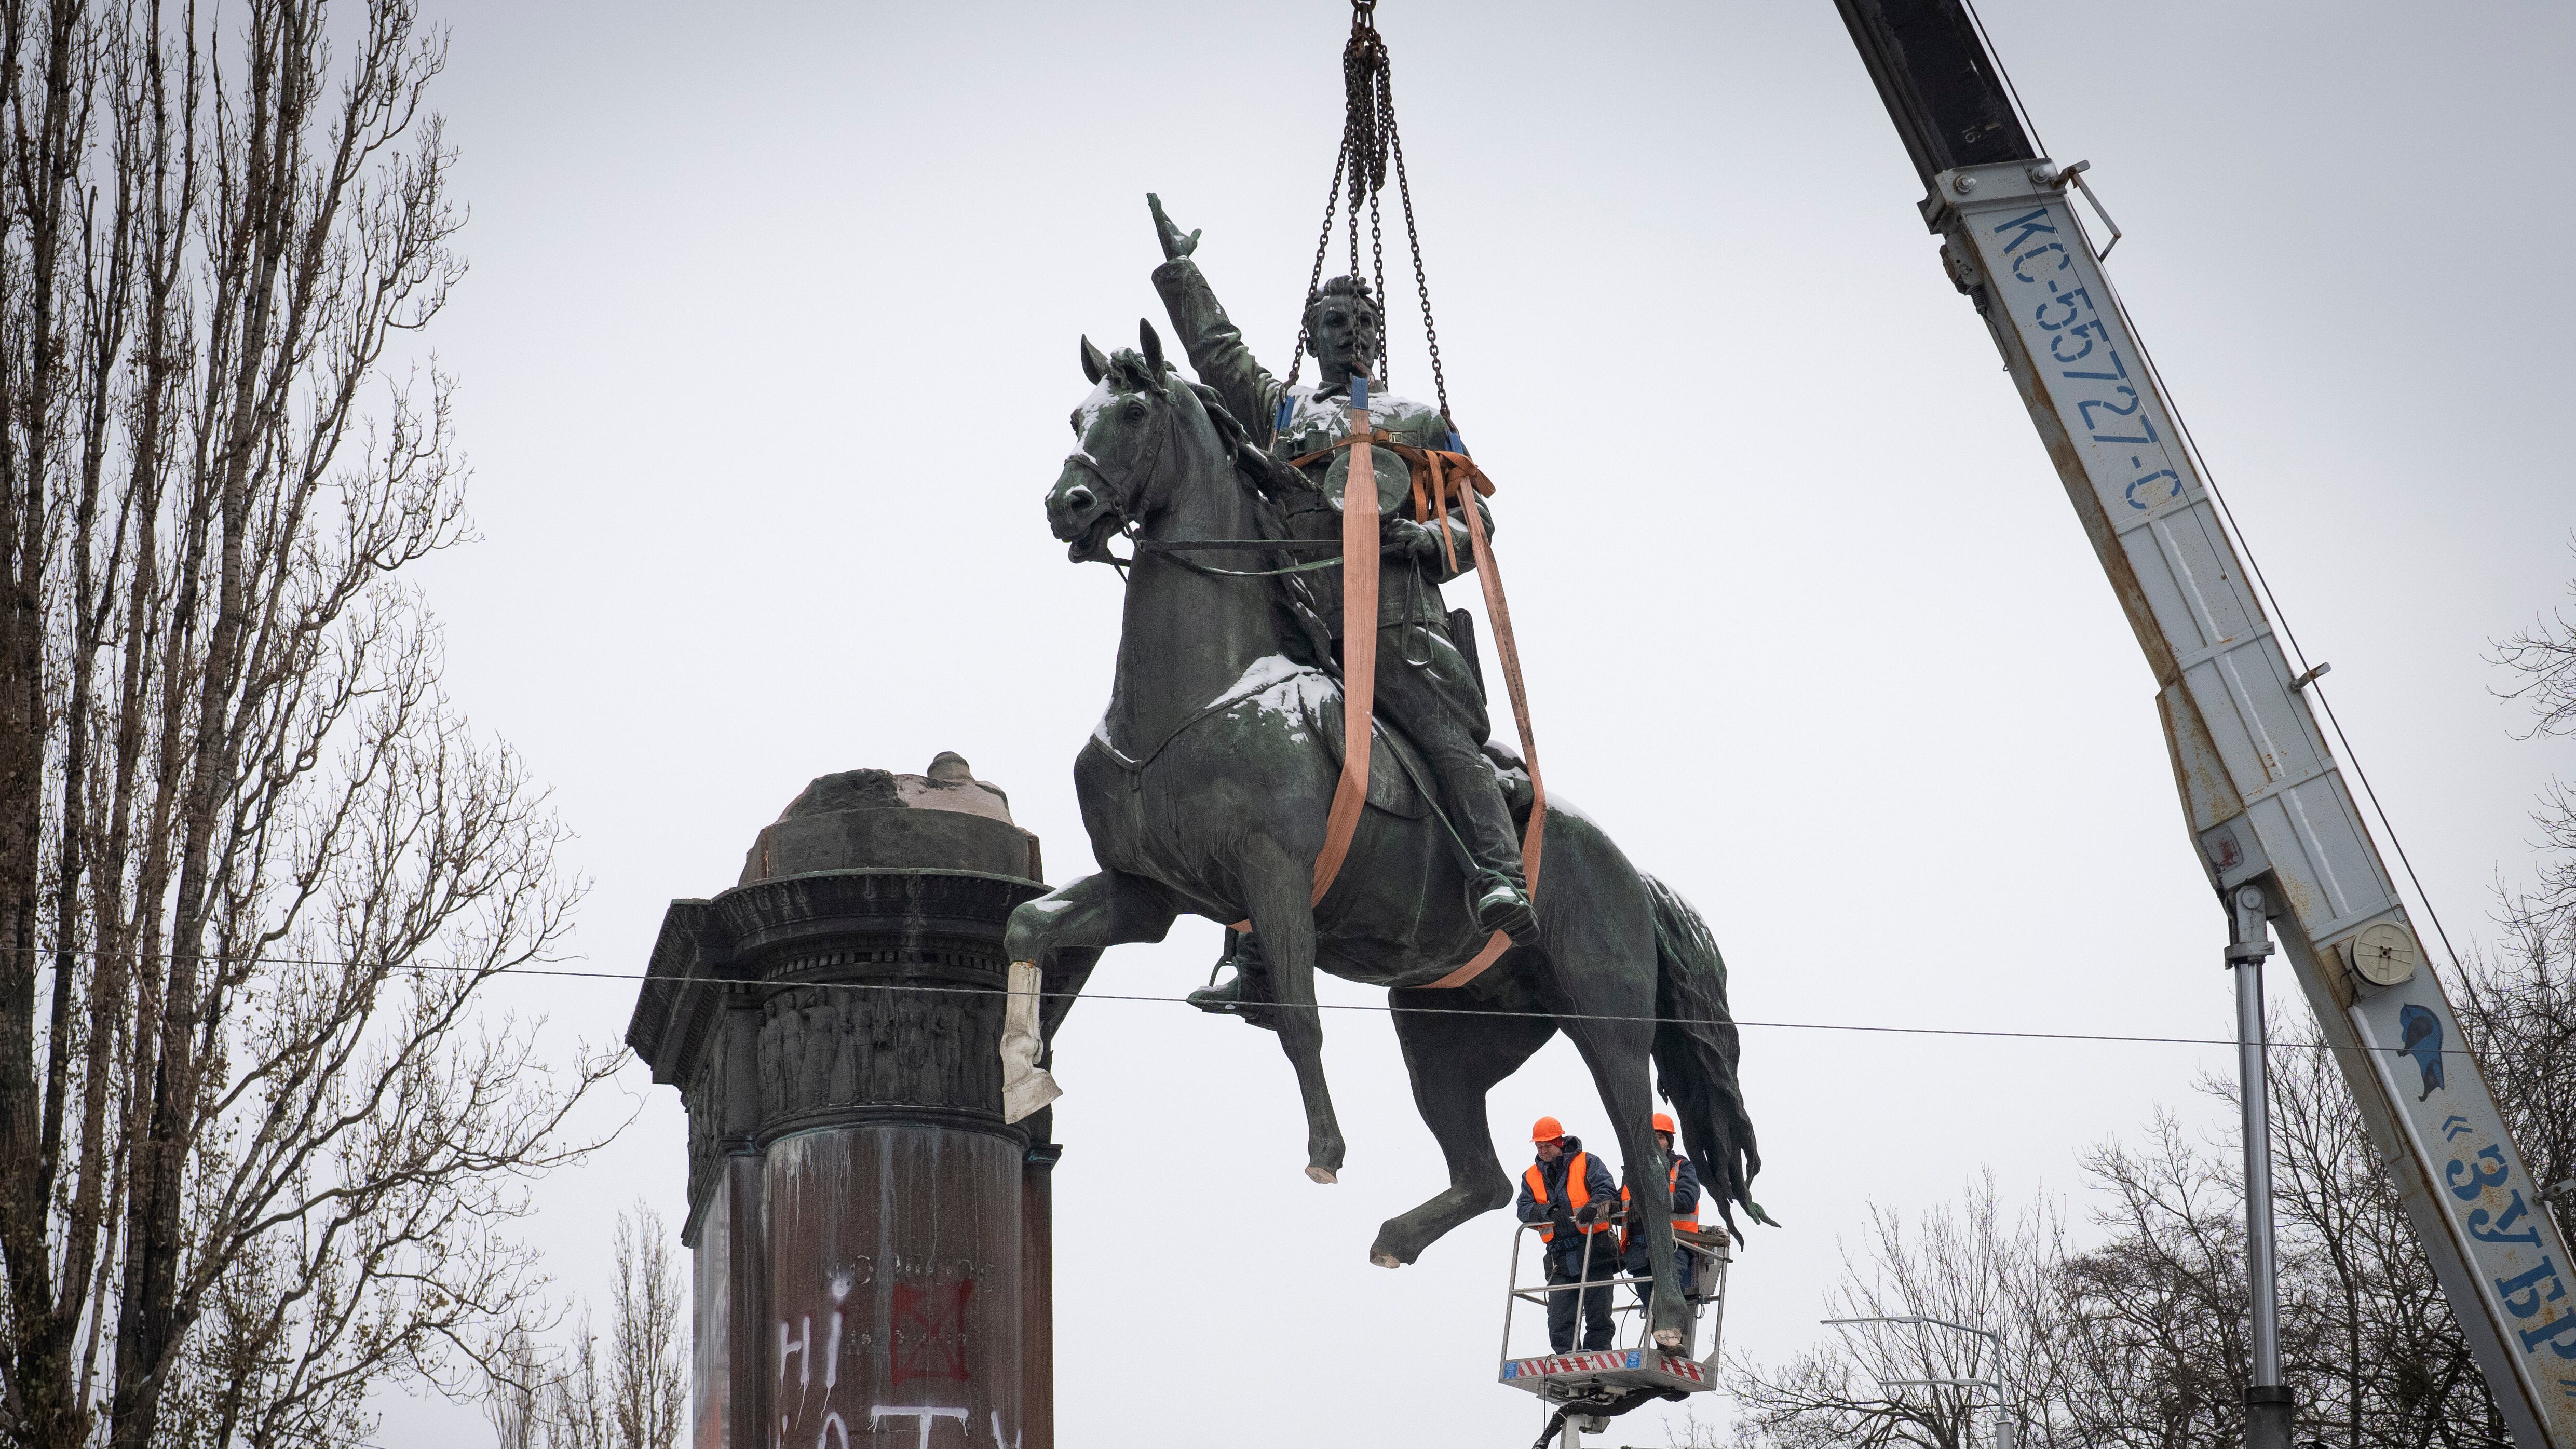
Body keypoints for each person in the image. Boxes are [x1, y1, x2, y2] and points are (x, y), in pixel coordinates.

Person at [1145, 193, 1535, 947]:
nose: (1349, 332)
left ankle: (1499, 873)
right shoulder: (1283, 412)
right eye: (1334, 322)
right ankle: (1254, 948)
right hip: (1299, 621)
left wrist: (1429, 538)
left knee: (1442, 736)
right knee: (1248, 766)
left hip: (1394, 620)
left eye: (1361, 323)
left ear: (1377, 337)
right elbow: (1220, 353)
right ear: (1311, 333)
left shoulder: (1416, 419)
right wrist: (1181, 270)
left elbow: (1475, 518)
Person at [1515, 1116, 1618, 1353]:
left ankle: (1598, 1352)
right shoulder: (1531, 1176)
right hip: (1559, 1257)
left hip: (1594, 1248)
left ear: (1560, 1142)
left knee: (1599, 1309)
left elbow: (1606, 1189)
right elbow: (1523, 1208)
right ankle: (1566, 1355)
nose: (1543, 1151)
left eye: (1547, 1146)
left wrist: (1593, 1206)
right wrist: (1548, 1210)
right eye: (1539, 1147)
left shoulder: (1588, 1162)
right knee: (1559, 1315)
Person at [1620, 1112, 1703, 1310]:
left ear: (1669, 1142)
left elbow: (1688, 1199)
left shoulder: (1682, 1167)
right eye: (1652, 1137)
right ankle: (1664, 1340)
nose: (1656, 1142)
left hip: (1674, 1245)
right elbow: (1620, 1202)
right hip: (1640, 1249)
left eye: (1661, 1137)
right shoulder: (1634, 1172)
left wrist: (1647, 1204)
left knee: (1670, 1304)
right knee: (1651, 1309)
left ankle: (1672, 1339)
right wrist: (1604, 1206)